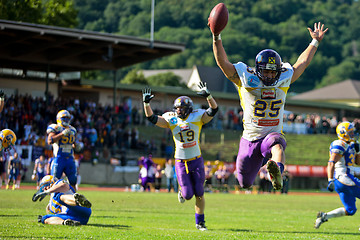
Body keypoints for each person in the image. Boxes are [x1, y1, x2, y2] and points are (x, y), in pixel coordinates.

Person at [210, 21, 328, 191]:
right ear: (258, 69)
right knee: (245, 183)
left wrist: (314, 42)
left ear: (278, 71)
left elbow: (302, 63)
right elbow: (223, 63)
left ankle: (277, 172)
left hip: (271, 136)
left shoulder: (284, 78)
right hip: (250, 139)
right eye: (266, 71)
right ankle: (263, 171)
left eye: (273, 71)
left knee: (278, 144)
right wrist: (216, 37)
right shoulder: (246, 78)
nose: (270, 75)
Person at [142, 81, 218, 231]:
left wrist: (209, 96)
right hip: (181, 161)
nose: (179, 111)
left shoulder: (197, 116)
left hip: (196, 159)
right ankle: (181, 192)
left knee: (200, 192)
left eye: (182, 108)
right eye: (177, 108)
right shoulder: (171, 119)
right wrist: (146, 104)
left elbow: (213, 110)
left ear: (189, 109)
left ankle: (200, 223)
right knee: (188, 194)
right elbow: (152, 118)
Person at [314, 122, 360, 229]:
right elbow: (331, 163)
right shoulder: (340, 144)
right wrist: (330, 180)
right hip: (344, 177)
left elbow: (358, 162)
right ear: (344, 133)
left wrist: (358, 151)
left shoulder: (350, 145)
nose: (353, 134)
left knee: (350, 210)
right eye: (351, 132)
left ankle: (324, 216)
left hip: (344, 180)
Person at [47, 110, 79, 190]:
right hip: (59, 158)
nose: (66, 120)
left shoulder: (72, 130)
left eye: (67, 118)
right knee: (54, 181)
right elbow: (50, 141)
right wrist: (62, 134)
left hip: (70, 158)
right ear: (59, 118)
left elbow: (74, 143)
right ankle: (52, 201)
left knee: (73, 181)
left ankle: (74, 200)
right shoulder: (56, 128)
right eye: (64, 118)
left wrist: (77, 146)